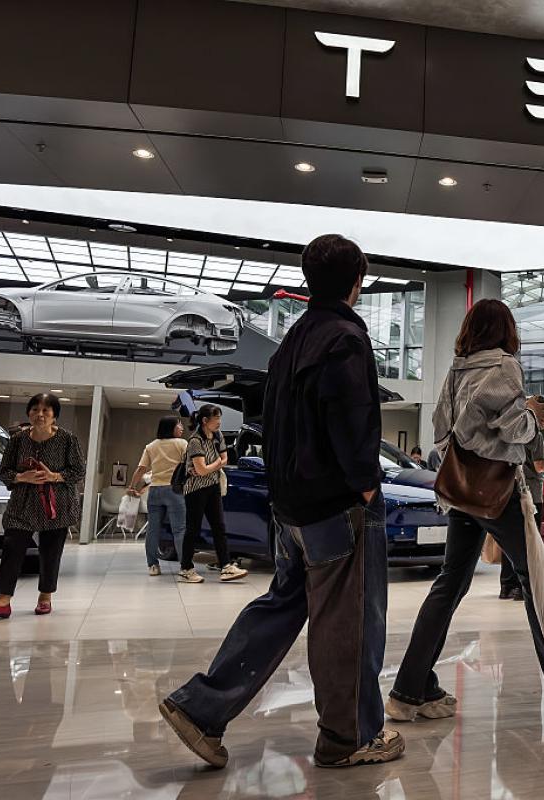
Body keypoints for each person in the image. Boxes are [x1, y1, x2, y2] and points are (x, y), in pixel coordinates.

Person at [159, 233, 402, 770]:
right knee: (352, 621)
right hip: (338, 507)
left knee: (280, 607)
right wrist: (364, 483)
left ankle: (202, 708)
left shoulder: (291, 342)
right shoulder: (345, 338)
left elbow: (276, 425)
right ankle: (350, 736)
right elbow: (352, 418)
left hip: (290, 506)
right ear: (357, 283)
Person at [387, 298, 544, 722]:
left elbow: (442, 429)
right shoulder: (505, 365)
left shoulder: (459, 367)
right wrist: (532, 412)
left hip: (461, 492)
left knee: (449, 583)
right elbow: (513, 427)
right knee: (536, 578)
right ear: (506, 330)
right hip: (499, 493)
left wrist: (461, 463)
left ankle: (408, 689)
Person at [0, 392, 85, 618]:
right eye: (35, 410)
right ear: (28, 413)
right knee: (12, 549)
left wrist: (54, 476)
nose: (40, 415)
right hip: (22, 505)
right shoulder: (17, 440)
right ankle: (3, 601)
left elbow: (78, 471)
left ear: (55, 415)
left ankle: (45, 596)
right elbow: (3, 471)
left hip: (56, 505)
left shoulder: (67, 439)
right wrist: (22, 477)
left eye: (46, 410)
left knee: (50, 553)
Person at [499, 418, 544, 600]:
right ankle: (521, 588)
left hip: (509, 491)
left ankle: (506, 586)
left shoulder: (511, 432)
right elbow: (540, 466)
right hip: (531, 493)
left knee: (511, 540)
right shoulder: (535, 435)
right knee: (530, 541)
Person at [177, 404, 247, 583]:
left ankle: (226, 566)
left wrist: (212, 466)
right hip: (195, 489)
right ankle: (186, 568)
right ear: (205, 421)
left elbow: (224, 458)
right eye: (216, 420)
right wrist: (215, 464)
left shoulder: (218, 436)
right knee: (193, 528)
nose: (219, 423)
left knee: (219, 527)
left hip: (213, 486)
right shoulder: (195, 441)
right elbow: (201, 470)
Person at [129, 416, 189, 576]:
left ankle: (153, 566)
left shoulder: (151, 446)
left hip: (155, 491)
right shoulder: (182, 444)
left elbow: (141, 469)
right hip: (174, 490)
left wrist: (132, 486)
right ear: (171, 428)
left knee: (153, 530)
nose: (182, 427)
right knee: (180, 530)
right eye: (179, 425)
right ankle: (185, 566)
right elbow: (191, 466)